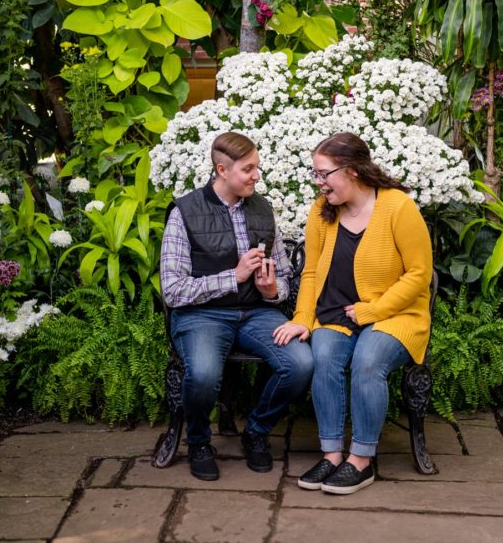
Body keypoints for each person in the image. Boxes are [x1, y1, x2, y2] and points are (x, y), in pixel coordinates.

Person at [273, 132, 432, 495]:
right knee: (324, 355)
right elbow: (310, 272)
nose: (318, 182)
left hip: (395, 316)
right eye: (315, 173)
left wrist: (372, 310)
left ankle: (361, 461)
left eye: (324, 173)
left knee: (367, 360)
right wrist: (302, 317)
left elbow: (419, 274)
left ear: (353, 171)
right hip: (336, 314)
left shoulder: (398, 207)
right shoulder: (321, 211)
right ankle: (331, 455)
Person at [161, 132, 313, 481]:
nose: (256, 175)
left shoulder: (262, 209)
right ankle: (199, 442)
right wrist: (234, 275)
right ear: (221, 170)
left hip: (256, 313)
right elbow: (173, 289)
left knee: (301, 363)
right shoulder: (184, 213)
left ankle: (256, 432)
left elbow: (284, 275)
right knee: (201, 374)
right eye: (248, 169)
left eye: (257, 167)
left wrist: (273, 290)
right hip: (202, 315)